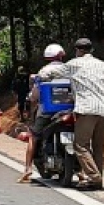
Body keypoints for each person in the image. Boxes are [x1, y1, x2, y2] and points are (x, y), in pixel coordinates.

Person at [36, 37, 104, 191]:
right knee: (98, 147)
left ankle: (94, 177)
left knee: (80, 145)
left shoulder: (74, 64)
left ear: (78, 50)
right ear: (91, 50)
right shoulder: (101, 64)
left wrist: (38, 77)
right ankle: (97, 182)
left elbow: (52, 72)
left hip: (86, 109)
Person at [18, 44, 67, 183]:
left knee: (33, 136)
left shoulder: (44, 72)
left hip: (47, 111)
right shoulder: (69, 69)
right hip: (69, 110)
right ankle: (81, 171)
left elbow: (35, 94)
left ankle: (27, 168)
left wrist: (30, 97)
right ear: (61, 56)